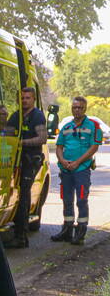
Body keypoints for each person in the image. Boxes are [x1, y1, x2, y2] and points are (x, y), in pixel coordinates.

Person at [54, 96, 104, 244]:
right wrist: (62, 160)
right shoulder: (66, 127)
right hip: (66, 169)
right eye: (75, 107)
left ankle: (80, 232)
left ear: (85, 108)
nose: (77, 110)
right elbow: (59, 147)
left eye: (80, 107)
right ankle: (67, 230)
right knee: (67, 199)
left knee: (82, 200)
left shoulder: (93, 126)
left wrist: (77, 162)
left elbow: (94, 147)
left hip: (81, 169)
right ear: (71, 108)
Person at [3, 86, 48, 249]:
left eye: (27, 98)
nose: (24, 101)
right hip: (16, 160)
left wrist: (21, 143)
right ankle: (17, 229)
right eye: (22, 98)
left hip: (31, 159)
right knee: (16, 193)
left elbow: (42, 138)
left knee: (24, 194)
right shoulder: (16, 116)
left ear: (33, 99)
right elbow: (7, 133)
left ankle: (21, 235)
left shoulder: (37, 116)